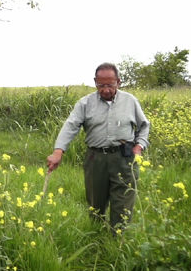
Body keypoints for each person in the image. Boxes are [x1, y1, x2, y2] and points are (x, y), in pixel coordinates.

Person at [46, 62, 150, 231]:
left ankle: (118, 239)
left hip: (124, 158)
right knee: (96, 203)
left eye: (110, 85)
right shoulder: (85, 103)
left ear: (119, 82)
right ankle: (96, 234)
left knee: (123, 202)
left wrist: (139, 146)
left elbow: (144, 126)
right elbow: (71, 126)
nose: (106, 90)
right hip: (96, 159)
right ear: (95, 82)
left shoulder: (130, 101)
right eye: (101, 85)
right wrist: (58, 151)